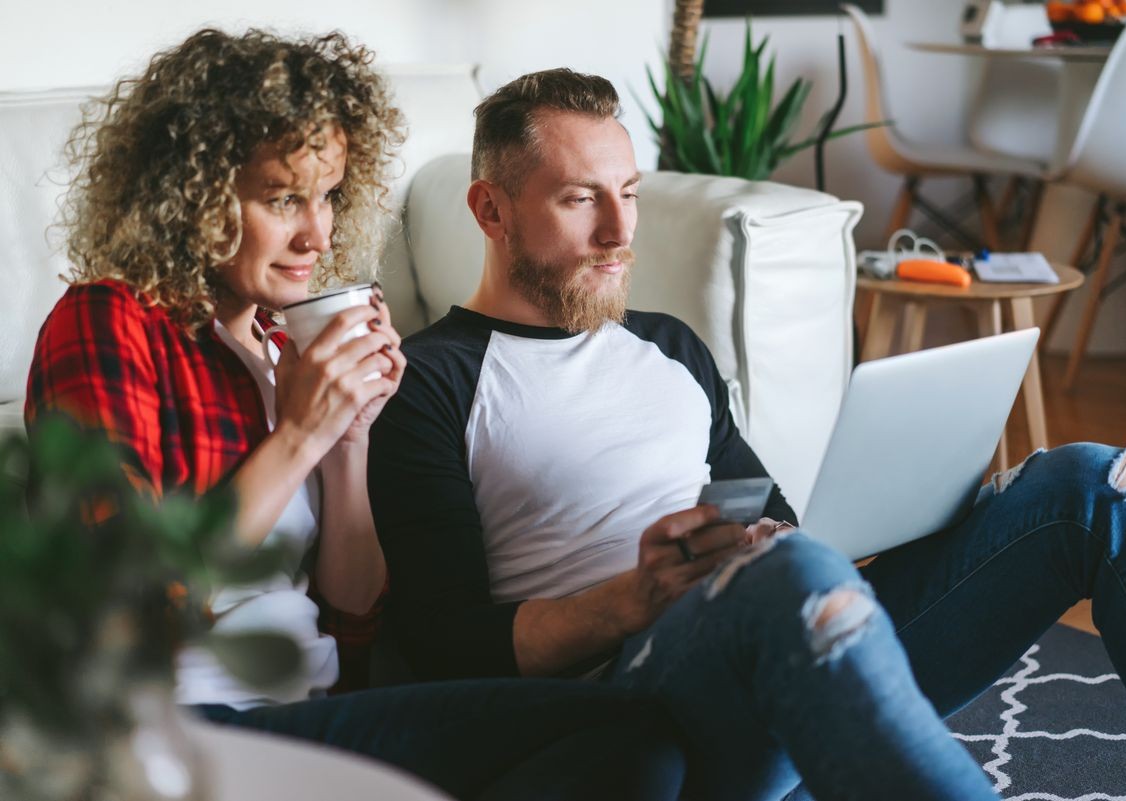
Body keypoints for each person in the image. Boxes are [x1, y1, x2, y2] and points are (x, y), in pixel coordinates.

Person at [368, 67, 1126, 801]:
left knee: (1092, 488)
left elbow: (778, 520)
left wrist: (897, 506)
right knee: (790, 570)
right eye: (581, 198)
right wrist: (635, 599)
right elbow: (447, 649)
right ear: (490, 209)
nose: (620, 235)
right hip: (636, 700)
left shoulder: (669, 347)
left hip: (787, 635)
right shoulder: (430, 382)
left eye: (628, 194)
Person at [25, 34, 687, 801]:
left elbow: (351, 618)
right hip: (180, 723)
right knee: (617, 732)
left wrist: (349, 438)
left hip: (316, 711)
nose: (318, 235)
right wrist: (298, 436)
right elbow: (120, 608)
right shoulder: (110, 321)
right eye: (282, 199)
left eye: (330, 195)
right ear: (194, 192)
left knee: (642, 743)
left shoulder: (283, 346)